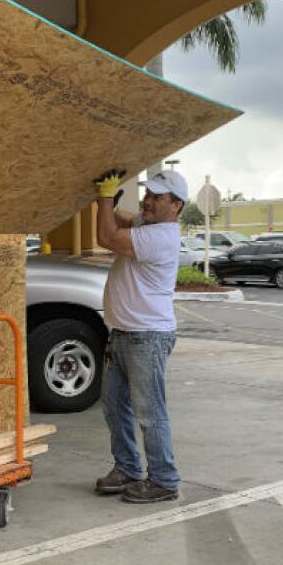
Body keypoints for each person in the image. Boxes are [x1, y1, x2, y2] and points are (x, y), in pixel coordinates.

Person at [91, 168, 187, 503]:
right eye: (148, 194)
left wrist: (104, 198)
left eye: (157, 197)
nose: (148, 201)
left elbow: (106, 238)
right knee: (115, 408)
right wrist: (111, 201)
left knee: (150, 412)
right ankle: (128, 468)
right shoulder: (147, 224)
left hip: (147, 337)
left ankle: (163, 479)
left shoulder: (161, 237)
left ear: (176, 205)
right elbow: (124, 216)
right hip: (124, 333)